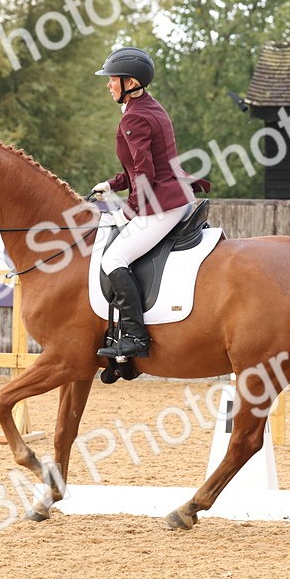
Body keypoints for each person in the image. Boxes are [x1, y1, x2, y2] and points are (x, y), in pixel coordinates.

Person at [90, 47, 208, 360]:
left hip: (162, 204)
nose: (108, 84)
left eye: (112, 79)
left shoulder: (135, 117)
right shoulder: (149, 106)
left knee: (113, 259)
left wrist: (130, 211)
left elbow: (145, 173)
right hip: (172, 196)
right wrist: (113, 184)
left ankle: (135, 337)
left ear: (130, 82)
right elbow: (141, 165)